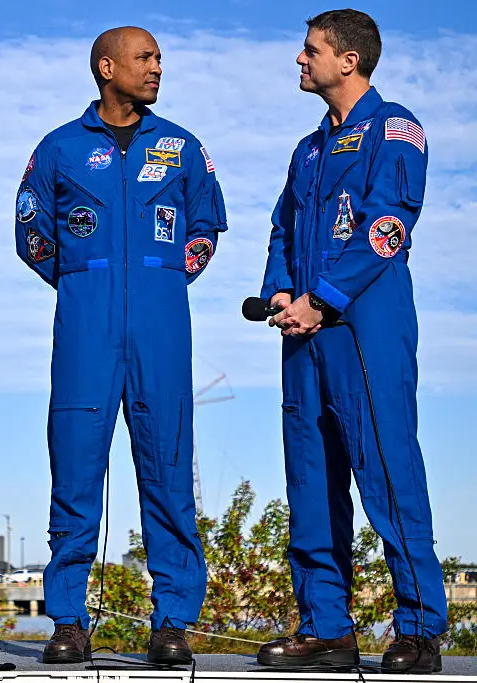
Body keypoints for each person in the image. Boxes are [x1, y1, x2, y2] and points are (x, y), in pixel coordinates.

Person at [16, 27, 227, 665]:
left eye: (159, 57)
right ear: (107, 68)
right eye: (145, 57)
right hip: (85, 324)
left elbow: (206, 223)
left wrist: (159, 278)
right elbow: (31, 230)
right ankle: (69, 621)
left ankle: (172, 622)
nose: (157, 66)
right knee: (75, 471)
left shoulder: (181, 145)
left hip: (161, 325)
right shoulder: (59, 147)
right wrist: (85, 280)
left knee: (167, 469)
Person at [256, 9, 445, 675]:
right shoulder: (307, 151)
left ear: (349, 61)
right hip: (303, 333)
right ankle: (326, 628)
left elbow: (388, 223)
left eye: (311, 51)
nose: (300, 60)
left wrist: (324, 297)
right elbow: (283, 227)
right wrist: (282, 289)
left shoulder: (395, 128)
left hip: (365, 325)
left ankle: (420, 628)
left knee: (388, 471)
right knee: (310, 478)